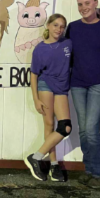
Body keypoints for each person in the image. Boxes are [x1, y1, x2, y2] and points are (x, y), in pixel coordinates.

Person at [68, 0, 100, 188]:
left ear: (95, 3)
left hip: (98, 83)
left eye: (87, 3)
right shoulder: (72, 27)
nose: (83, 7)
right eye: (80, 4)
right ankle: (89, 169)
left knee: (91, 128)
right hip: (77, 83)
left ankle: (99, 172)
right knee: (83, 130)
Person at [24, 14, 73, 184]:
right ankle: (54, 164)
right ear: (48, 26)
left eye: (62, 26)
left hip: (62, 88)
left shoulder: (67, 43)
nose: (59, 29)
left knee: (65, 127)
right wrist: (36, 99)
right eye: (55, 25)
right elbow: (34, 75)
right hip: (46, 86)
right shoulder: (40, 49)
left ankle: (36, 157)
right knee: (49, 125)